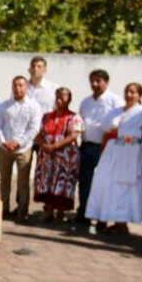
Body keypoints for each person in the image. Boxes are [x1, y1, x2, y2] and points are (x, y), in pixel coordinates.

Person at [84, 83, 142, 234]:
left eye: (133, 92)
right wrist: (120, 131)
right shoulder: (116, 111)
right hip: (113, 151)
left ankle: (122, 222)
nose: (129, 95)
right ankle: (105, 217)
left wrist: (123, 131)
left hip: (131, 153)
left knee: (126, 187)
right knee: (107, 184)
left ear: (139, 95)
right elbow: (107, 127)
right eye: (127, 91)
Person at [77, 69, 122, 225]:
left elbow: (119, 123)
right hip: (87, 146)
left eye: (98, 81)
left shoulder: (115, 101)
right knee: (85, 181)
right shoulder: (85, 102)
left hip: (106, 148)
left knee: (104, 183)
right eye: (92, 81)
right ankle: (83, 212)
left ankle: (103, 217)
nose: (95, 84)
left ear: (106, 82)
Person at [0, 76, 42, 221]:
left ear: (26, 87)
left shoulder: (33, 106)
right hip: (5, 149)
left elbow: (34, 128)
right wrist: (4, 142)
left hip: (23, 149)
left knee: (23, 182)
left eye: (21, 85)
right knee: (4, 181)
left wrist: (18, 143)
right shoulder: (4, 105)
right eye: (15, 85)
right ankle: (4, 209)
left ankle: (22, 211)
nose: (18, 88)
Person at [33, 87, 84, 221]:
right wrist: (45, 145)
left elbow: (74, 135)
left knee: (62, 183)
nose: (59, 100)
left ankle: (60, 213)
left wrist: (55, 146)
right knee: (47, 181)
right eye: (57, 97)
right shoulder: (47, 116)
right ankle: (48, 211)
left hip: (65, 156)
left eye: (63, 97)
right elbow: (38, 134)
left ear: (69, 99)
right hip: (47, 155)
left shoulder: (74, 117)